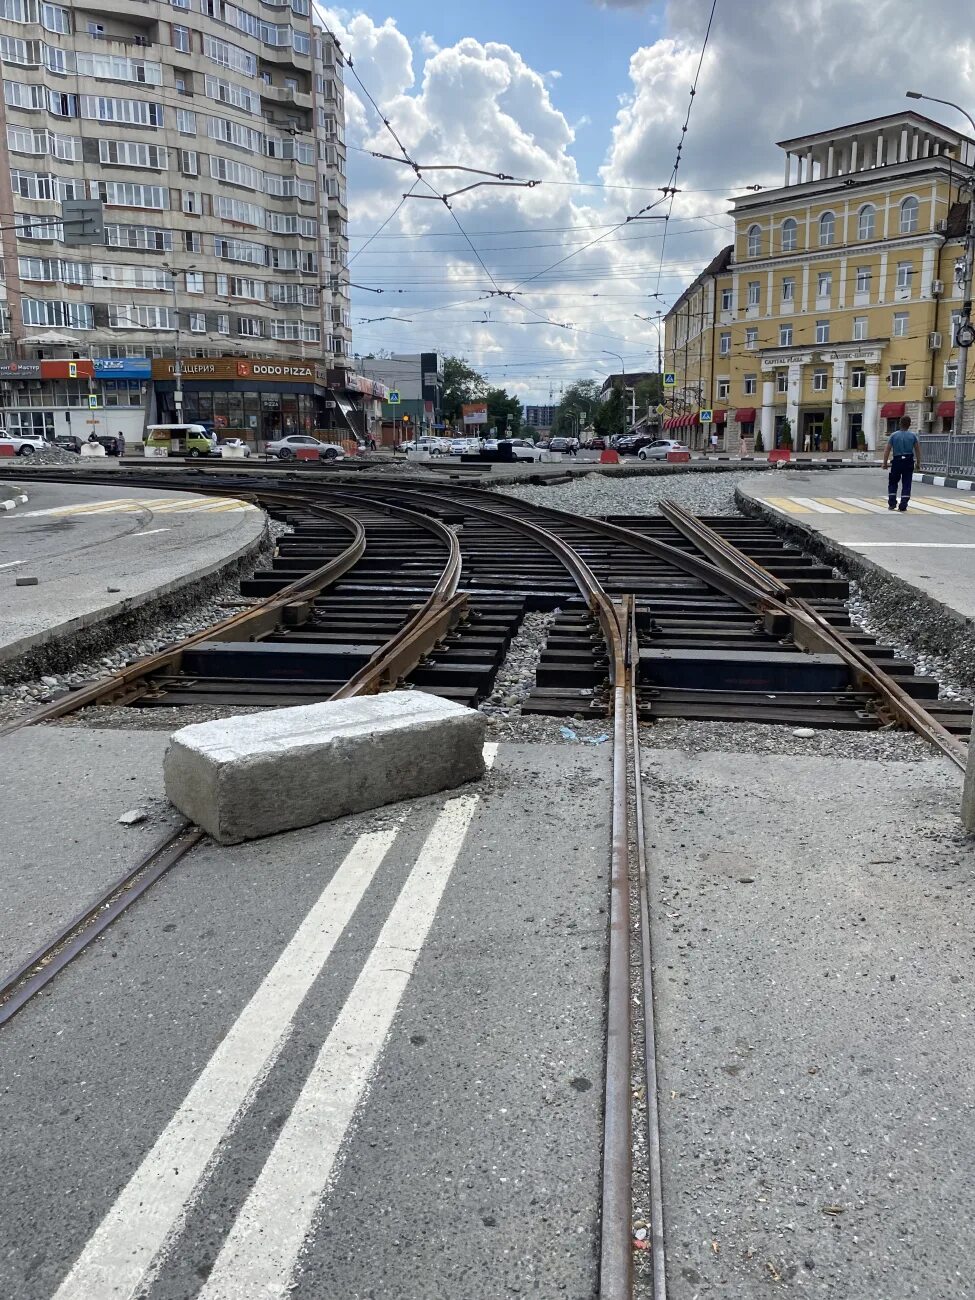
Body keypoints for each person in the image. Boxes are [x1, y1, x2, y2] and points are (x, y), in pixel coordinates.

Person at [883, 415, 922, 511]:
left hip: (897, 461)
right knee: (907, 483)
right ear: (909, 424)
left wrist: (885, 463)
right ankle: (903, 504)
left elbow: (887, 449)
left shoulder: (894, 435)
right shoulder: (913, 436)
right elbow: (917, 450)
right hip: (908, 461)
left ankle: (892, 503)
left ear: (900, 423)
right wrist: (918, 463)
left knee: (893, 482)